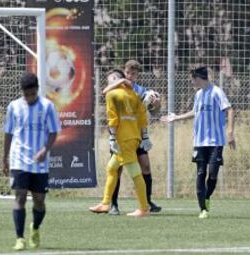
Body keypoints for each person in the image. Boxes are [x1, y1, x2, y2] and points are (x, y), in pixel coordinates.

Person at [160, 66, 236, 219]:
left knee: (212, 175)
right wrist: (176, 117)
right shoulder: (198, 94)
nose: (191, 82)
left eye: (192, 79)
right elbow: (195, 112)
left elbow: (230, 110)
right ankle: (203, 209)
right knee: (201, 173)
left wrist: (230, 132)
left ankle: (207, 197)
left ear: (197, 78)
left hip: (216, 141)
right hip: (200, 141)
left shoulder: (216, 92)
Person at [2, 72, 61, 251]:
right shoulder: (14, 107)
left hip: (40, 162)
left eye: (32, 93)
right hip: (19, 159)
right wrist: (4, 158)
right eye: (26, 94)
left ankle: (35, 228)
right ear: (22, 91)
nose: (29, 97)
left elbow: (53, 131)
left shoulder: (47, 106)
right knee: (20, 197)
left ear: (37, 89)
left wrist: (45, 150)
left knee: (39, 200)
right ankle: (19, 238)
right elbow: (8, 133)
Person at [102, 60, 162, 215]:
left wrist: (156, 103)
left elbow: (152, 111)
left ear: (138, 75)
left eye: (134, 73)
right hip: (120, 136)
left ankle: (146, 202)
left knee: (145, 167)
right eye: (128, 73)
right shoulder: (118, 88)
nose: (131, 76)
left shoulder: (141, 90)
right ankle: (113, 204)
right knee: (117, 169)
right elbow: (106, 93)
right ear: (124, 72)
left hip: (137, 136)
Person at [89, 69, 150, 217]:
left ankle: (143, 208)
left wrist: (112, 138)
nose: (109, 83)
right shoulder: (134, 95)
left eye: (110, 79)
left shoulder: (112, 94)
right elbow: (142, 117)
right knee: (111, 168)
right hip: (134, 138)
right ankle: (105, 203)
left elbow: (113, 118)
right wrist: (145, 137)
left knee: (135, 173)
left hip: (123, 139)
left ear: (116, 79)